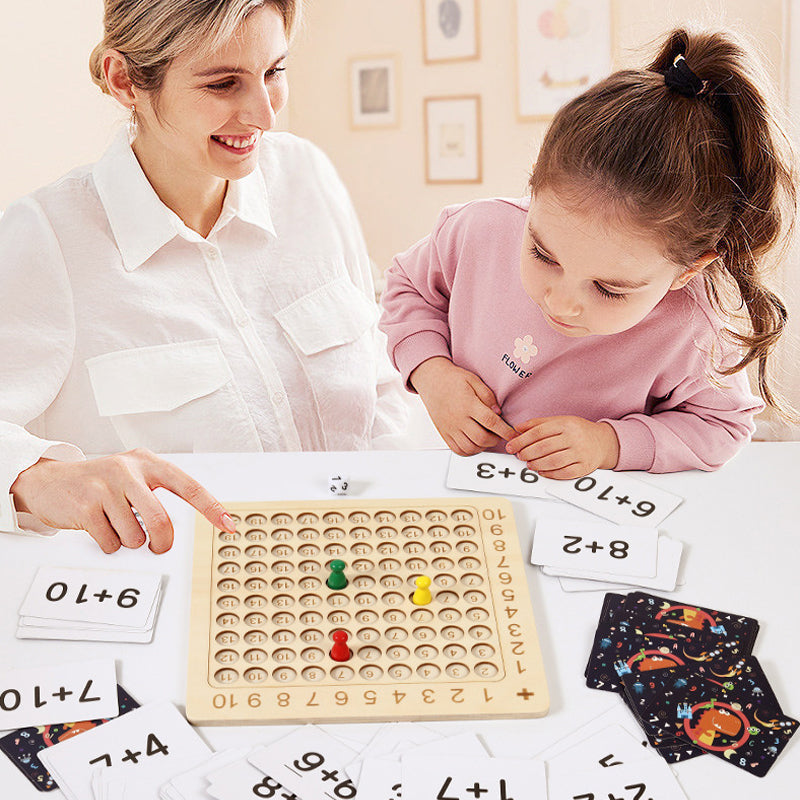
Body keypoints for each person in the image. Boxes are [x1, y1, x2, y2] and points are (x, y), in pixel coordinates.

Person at [1, 0, 408, 554]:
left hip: (356, 577)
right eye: (222, 84)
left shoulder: (307, 177)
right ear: (125, 82)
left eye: (274, 73)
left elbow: (378, 386)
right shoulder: (43, 238)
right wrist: (33, 478)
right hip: (176, 608)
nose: (264, 114)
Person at [380, 27, 797, 479]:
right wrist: (431, 371)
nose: (559, 303)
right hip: (446, 479)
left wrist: (610, 444)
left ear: (687, 270)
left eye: (608, 289)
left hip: (581, 519)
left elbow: (722, 425)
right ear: (534, 187)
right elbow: (407, 287)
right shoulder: (477, 230)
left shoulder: (694, 326)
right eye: (542, 254)